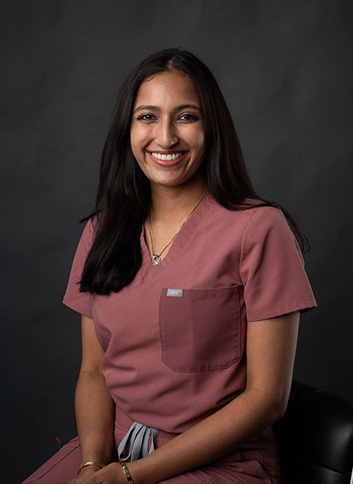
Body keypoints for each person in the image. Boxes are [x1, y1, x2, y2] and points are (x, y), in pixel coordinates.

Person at [22, 48, 316, 484]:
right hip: (112, 453)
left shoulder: (258, 229)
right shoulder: (102, 231)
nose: (165, 138)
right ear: (128, 128)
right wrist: (92, 465)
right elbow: (93, 372)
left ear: (211, 127)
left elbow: (267, 398)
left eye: (185, 117)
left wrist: (127, 477)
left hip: (219, 464)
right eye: (147, 117)